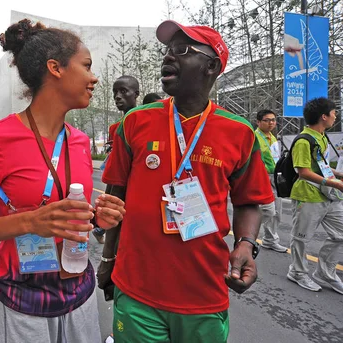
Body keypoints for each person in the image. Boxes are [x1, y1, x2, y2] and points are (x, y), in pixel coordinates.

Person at [103, 20, 274, 343]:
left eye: (182, 50)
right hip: (136, 289)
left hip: (203, 293)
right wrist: (108, 259)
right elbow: (116, 195)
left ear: (211, 66)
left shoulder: (238, 133)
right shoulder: (135, 122)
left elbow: (248, 201)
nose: (168, 57)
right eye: (167, 51)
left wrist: (245, 245)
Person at [0, 19, 125, 343]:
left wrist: (97, 218)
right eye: (86, 66)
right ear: (55, 68)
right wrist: (31, 222)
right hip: (24, 302)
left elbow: (67, 212)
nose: (94, 78)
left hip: (80, 294)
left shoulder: (78, 141)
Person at [287, 97, 343, 294]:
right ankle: (298, 272)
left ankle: (326, 272)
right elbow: (303, 171)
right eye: (334, 112)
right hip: (308, 195)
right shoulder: (303, 140)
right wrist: (335, 182)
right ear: (323, 116)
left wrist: (337, 174)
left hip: (328, 194)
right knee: (301, 238)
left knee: (340, 234)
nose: (335, 116)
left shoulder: (322, 136)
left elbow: (320, 165)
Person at [92, 75, 140, 245]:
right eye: (115, 92)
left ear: (136, 94)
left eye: (123, 91)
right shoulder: (115, 128)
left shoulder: (145, 123)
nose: (117, 96)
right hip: (117, 180)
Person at [255, 109, 287, 253]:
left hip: (275, 176)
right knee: (269, 210)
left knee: (277, 211)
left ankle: (269, 239)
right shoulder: (254, 137)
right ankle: (267, 238)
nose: (271, 123)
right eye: (267, 120)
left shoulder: (273, 138)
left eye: (273, 120)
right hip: (262, 177)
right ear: (258, 122)